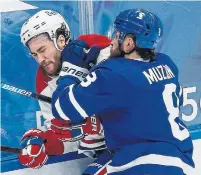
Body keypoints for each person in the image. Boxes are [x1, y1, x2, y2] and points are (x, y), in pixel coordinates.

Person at [50, 8, 195, 175]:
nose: (112, 40)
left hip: (141, 166)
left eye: (117, 34)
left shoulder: (112, 74)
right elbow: (167, 98)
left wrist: (71, 70)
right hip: (181, 163)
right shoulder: (166, 63)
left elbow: (62, 107)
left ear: (129, 43)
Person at [18, 10, 111, 170]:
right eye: (34, 54)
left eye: (42, 50)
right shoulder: (44, 80)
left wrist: (97, 123)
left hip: (138, 143)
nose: (40, 60)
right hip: (108, 153)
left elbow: (135, 105)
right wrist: (45, 144)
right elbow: (67, 136)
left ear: (60, 40)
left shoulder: (100, 51)